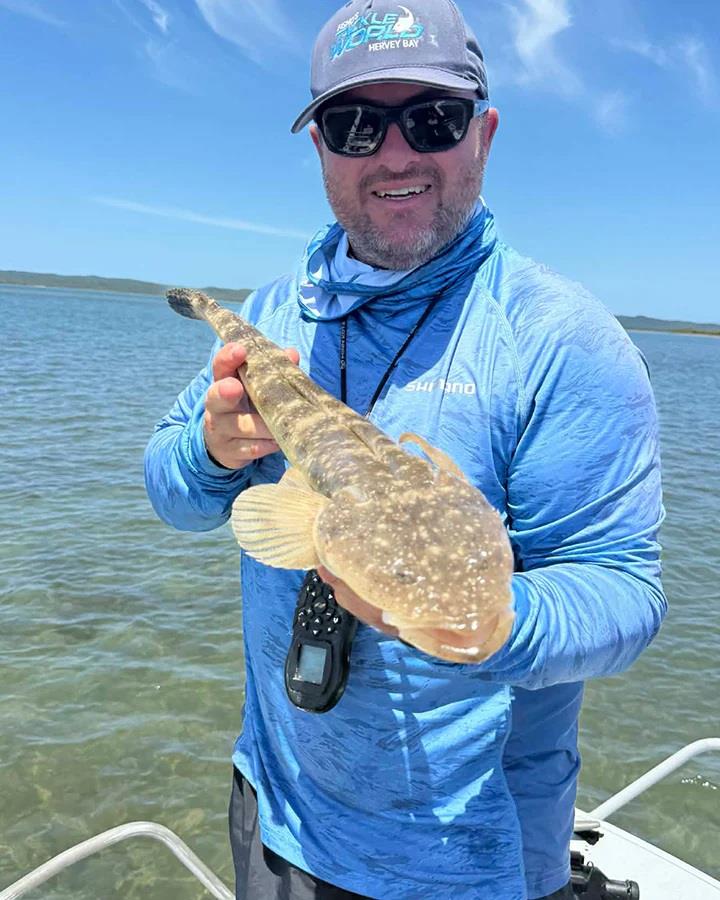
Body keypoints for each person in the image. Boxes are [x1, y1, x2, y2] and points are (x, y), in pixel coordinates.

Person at [144, 0, 666, 897]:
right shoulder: (272, 318)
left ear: (484, 134)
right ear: (320, 149)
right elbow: (170, 493)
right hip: (275, 809)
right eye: (354, 124)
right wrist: (210, 452)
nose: (393, 153)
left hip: (470, 861)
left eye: (432, 118)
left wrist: (494, 628)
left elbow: (626, 588)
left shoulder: (559, 339)